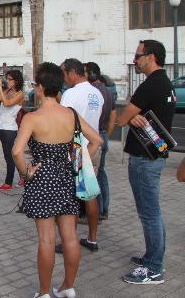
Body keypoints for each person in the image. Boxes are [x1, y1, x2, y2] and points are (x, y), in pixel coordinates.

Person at [13, 62, 102, 298]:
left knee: (46, 239)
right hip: (67, 178)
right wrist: (78, 164)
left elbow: (16, 152)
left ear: (40, 87)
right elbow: (96, 141)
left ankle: (44, 293)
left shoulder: (32, 118)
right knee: (70, 235)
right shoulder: (71, 115)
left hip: (42, 180)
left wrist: (26, 172)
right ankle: (67, 287)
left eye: (35, 84)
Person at [118, 39, 176, 284]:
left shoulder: (151, 85)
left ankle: (154, 268)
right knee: (152, 213)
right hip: (154, 157)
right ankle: (153, 256)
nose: (135, 60)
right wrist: (134, 118)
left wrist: (130, 118)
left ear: (151, 56)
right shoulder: (165, 83)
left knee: (149, 214)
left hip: (144, 159)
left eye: (138, 55)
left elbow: (122, 119)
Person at [58, 58, 104, 253]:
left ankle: (71, 240)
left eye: (63, 74)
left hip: (76, 147)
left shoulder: (71, 94)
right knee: (90, 194)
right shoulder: (97, 93)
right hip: (94, 144)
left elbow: (64, 122)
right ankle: (92, 238)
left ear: (71, 73)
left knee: (73, 197)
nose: (63, 78)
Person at [85, 62, 117, 221]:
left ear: (90, 74)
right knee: (101, 173)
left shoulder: (91, 92)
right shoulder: (108, 92)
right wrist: (106, 136)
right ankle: (104, 209)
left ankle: (94, 213)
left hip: (92, 137)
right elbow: (113, 116)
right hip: (102, 134)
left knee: (92, 176)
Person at [0, 70, 26, 190]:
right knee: (9, 155)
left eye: (10, 79)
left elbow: (7, 103)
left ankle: (8, 183)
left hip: (10, 128)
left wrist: (0, 88)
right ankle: (23, 176)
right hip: (1, 126)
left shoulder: (20, 94)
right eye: (7, 79)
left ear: (16, 81)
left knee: (9, 156)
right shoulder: (7, 91)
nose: (7, 81)